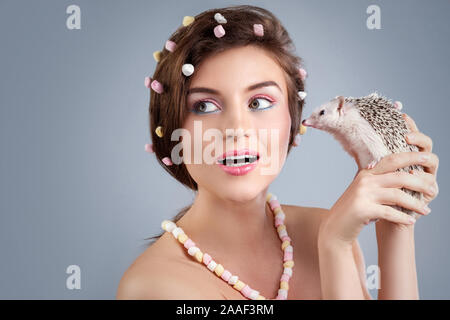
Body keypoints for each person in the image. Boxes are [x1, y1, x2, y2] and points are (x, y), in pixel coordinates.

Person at [116, 5, 439, 300]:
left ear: (292, 119)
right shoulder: (153, 286)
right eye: (204, 106)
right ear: (174, 130)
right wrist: (334, 246)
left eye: (259, 102)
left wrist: (398, 217)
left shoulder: (326, 228)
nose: (236, 128)